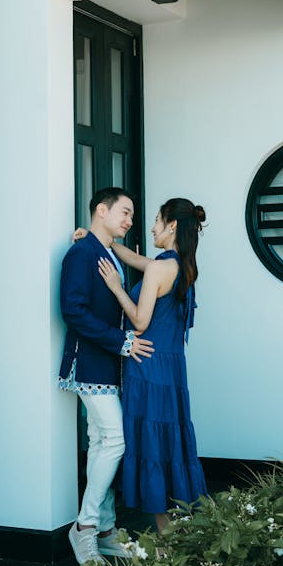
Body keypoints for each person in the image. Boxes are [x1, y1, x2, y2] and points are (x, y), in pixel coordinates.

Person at [97, 197, 207, 534]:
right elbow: (136, 259)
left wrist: (116, 287)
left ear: (172, 225)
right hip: (171, 370)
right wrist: (105, 242)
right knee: (168, 441)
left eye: (157, 221)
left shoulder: (160, 268)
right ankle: (179, 532)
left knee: (152, 444)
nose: (152, 227)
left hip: (147, 365)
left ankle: (166, 537)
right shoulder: (180, 265)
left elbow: (140, 320)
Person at [59, 187, 154, 566]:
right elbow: (73, 310)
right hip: (89, 362)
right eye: (125, 213)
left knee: (102, 442)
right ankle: (84, 528)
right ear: (102, 210)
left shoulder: (108, 253)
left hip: (109, 364)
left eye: (132, 215)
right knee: (114, 439)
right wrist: (123, 342)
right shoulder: (82, 252)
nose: (130, 221)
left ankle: (105, 529)